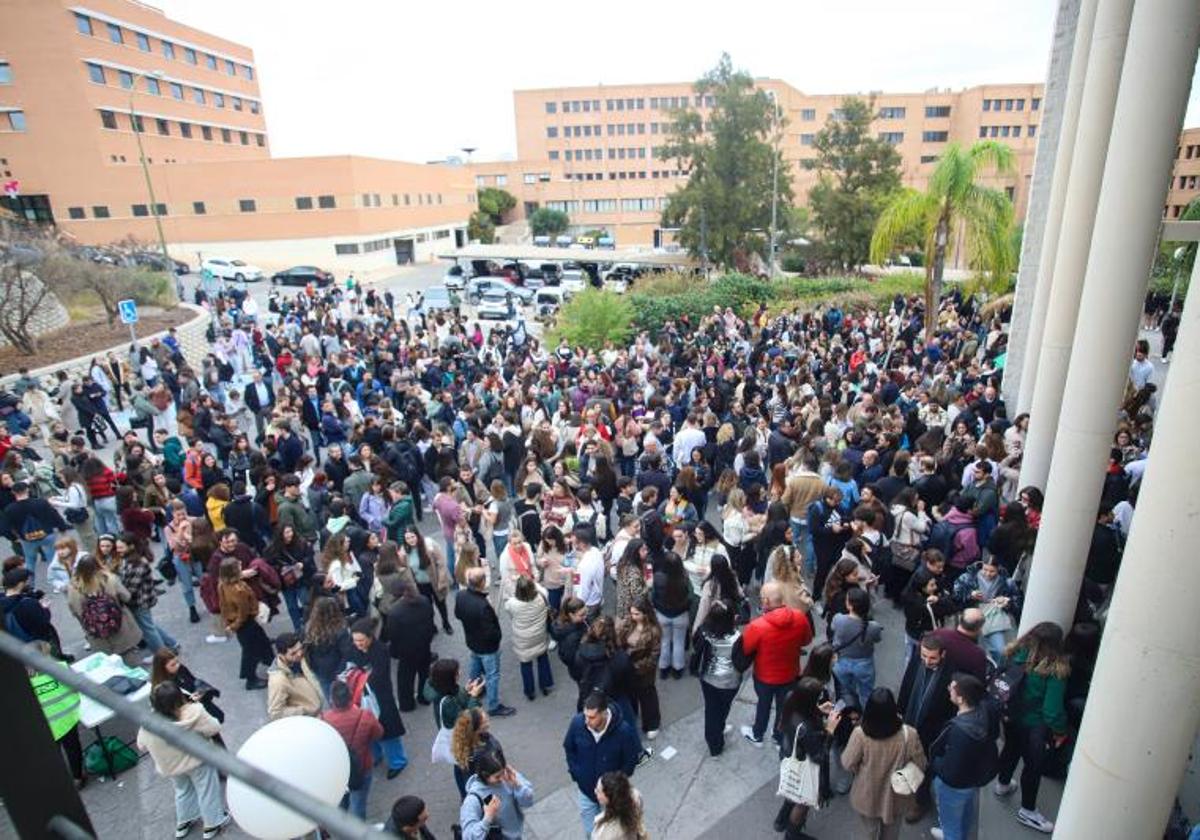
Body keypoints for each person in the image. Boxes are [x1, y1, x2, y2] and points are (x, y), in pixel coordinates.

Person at [992, 622, 1071, 835]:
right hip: (1034, 726)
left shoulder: (1013, 652)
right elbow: (1052, 711)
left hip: (1010, 716)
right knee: (1033, 766)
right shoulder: (1055, 669)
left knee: (1010, 749)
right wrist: (1061, 732)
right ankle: (1027, 810)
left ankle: (1002, 783)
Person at [137, 681, 230, 839]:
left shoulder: (149, 721)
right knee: (207, 790)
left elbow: (141, 746)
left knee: (182, 791)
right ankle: (213, 823)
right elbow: (214, 727)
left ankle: (184, 822)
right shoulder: (194, 712)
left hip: (170, 765)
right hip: (198, 760)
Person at [840, 687, 927, 840]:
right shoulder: (909, 734)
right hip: (898, 796)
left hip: (867, 794)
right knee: (892, 833)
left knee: (868, 832)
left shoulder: (860, 735)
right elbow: (921, 763)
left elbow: (847, 763)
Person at [740, 581, 815, 747]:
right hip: (790, 674)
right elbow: (807, 640)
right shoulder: (799, 617)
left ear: (766, 602)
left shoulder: (757, 626)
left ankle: (758, 734)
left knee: (763, 705)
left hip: (764, 676)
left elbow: (745, 649)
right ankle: (779, 737)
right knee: (784, 708)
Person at [929, 674, 999, 840]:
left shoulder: (959, 730)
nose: (949, 690)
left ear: (960, 699)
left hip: (954, 786)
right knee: (966, 814)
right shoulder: (985, 711)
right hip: (973, 779)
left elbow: (950, 770)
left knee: (951, 823)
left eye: (952, 689)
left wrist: (936, 763)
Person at [563, 691, 642, 839]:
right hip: (586, 791)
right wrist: (576, 773)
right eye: (585, 715)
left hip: (612, 797)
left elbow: (630, 761)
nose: (586, 721)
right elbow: (569, 747)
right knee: (592, 834)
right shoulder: (578, 723)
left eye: (592, 717)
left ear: (604, 713)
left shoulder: (623, 732)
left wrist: (616, 785)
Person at [897, 633, 956, 823]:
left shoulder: (952, 675)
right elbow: (907, 683)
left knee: (924, 767)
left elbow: (950, 709)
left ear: (943, 655)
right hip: (909, 722)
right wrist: (900, 709)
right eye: (924, 656)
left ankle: (921, 801)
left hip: (932, 731)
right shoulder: (917, 659)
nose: (927, 661)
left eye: (932, 658)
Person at [774, 677, 842, 839]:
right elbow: (819, 756)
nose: (821, 699)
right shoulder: (807, 728)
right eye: (818, 697)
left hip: (789, 755)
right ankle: (792, 835)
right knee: (803, 802)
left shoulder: (791, 699)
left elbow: (802, 711)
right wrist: (830, 731)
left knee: (792, 793)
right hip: (803, 764)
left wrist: (818, 709)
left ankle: (781, 820)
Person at [350, 616, 409, 779]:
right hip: (363, 697)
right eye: (355, 640)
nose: (358, 644)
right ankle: (376, 756)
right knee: (368, 730)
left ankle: (398, 761)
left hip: (381, 697)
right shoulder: (356, 649)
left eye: (361, 640)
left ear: (370, 637)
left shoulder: (380, 650)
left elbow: (377, 675)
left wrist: (359, 677)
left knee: (387, 730)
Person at [456, 566, 516, 716]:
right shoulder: (482, 605)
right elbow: (491, 632)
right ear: (482, 582)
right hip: (487, 647)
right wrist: (497, 637)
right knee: (492, 675)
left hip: (472, 641)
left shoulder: (461, 595)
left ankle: (471, 692)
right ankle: (493, 705)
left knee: (475, 668)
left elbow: (457, 614)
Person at [322, 678, 384, 820]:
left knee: (339, 800)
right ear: (351, 696)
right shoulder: (365, 716)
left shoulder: (323, 720)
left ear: (332, 700)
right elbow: (379, 734)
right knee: (358, 803)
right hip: (361, 766)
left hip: (336, 769)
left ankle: (339, 824)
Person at [26, 640, 86, 788]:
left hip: (44, 723)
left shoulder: (25, 680)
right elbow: (76, 686)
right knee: (73, 748)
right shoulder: (60, 669)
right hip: (66, 718)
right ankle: (77, 778)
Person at [424, 657, 485, 798]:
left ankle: (466, 794)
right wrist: (474, 697)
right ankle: (470, 798)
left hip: (455, 738)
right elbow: (466, 718)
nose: (460, 673)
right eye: (457, 672)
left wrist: (465, 691)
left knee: (459, 765)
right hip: (461, 738)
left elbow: (457, 702)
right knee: (467, 769)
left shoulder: (440, 691)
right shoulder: (447, 702)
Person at [692, 600, 744, 756]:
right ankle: (717, 737)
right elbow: (742, 660)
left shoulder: (703, 632)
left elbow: (695, 646)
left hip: (708, 678)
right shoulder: (737, 637)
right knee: (723, 707)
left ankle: (716, 735)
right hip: (730, 681)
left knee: (711, 709)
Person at [65, 554, 142, 654]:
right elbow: (126, 597)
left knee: (109, 663)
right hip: (120, 627)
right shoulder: (110, 579)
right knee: (129, 658)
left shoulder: (73, 587)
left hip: (97, 632)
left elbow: (75, 610)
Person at [217, 557, 271, 690]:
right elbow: (243, 612)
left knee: (260, 643)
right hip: (246, 623)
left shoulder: (222, 585)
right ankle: (251, 678)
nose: (241, 565)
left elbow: (223, 606)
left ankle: (270, 661)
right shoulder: (239, 590)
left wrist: (229, 624)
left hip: (236, 622)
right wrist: (235, 625)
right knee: (251, 650)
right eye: (238, 565)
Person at [459, 750, 535, 840]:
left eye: (503, 772)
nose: (502, 778)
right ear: (484, 775)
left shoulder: (508, 775)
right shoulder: (473, 799)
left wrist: (517, 786)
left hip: (516, 835)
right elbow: (468, 836)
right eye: (497, 776)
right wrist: (488, 817)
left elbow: (528, 802)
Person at [830, 587, 885, 710]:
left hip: (842, 661)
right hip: (864, 664)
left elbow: (833, 628)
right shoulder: (874, 627)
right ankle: (865, 716)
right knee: (866, 693)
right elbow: (877, 639)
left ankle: (847, 713)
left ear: (849, 605)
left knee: (845, 692)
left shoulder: (839, 620)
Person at [385, 580, 436, 711]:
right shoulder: (424, 601)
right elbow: (431, 620)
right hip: (424, 645)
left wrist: (395, 652)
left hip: (406, 650)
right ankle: (424, 697)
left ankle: (406, 704)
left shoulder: (395, 612)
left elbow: (393, 635)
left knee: (405, 678)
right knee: (424, 673)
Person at [617, 595, 662, 741]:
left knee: (648, 698)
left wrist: (634, 667)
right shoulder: (628, 623)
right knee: (630, 696)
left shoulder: (653, 631)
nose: (633, 616)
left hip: (643, 672)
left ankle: (652, 724)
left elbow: (653, 657)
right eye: (632, 613)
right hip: (628, 670)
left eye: (637, 614)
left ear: (645, 613)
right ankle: (633, 715)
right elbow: (619, 640)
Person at [151, 648, 225, 737]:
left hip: (201, 707)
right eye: (173, 664)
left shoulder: (181, 669)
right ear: (162, 668)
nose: (178, 666)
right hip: (189, 719)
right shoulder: (163, 688)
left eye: (177, 661)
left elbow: (192, 681)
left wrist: (198, 691)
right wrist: (190, 700)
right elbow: (170, 708)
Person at [504, 574, 555, 701]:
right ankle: (545, 685)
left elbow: (509, 612)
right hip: (539, 634)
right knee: (542, 658)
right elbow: (541, 588)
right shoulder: (542, 596)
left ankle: (530, 691)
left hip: (522, 638)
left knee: (525, 664)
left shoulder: (512, 604)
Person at [3, 481, 68, 580]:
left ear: (13, 492)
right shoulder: (41, 502)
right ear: (27, 490)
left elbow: (6, 526)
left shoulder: (10, 509)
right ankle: (58, 581)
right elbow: (54, 514)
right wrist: (62, 527)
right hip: (47, 535)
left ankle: (30, 585)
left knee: (30, 561)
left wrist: (14, 538)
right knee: (53, 559)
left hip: (27, 538)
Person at [304, 595, 355, 700]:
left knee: (328, 693)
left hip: (319, 668)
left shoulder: (309, 627)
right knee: (344, 696)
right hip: (337, 668)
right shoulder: (340, 629)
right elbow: (347, 652)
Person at [650, 551, 690, 679]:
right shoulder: (684, 578)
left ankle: (663, 668)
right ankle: (677, 668)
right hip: (680, 614)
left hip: (662, 614)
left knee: (664, 641)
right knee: (679, 642)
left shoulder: (657, 577)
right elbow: (690, 596)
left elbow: (653, 596)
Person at [266, 631, 323, 719]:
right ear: (281, 655)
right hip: (308, 718)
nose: (299, 654)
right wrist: (303, 711)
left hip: (317, 711)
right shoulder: (278, 681)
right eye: (293, 653)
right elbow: (275, 712)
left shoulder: (297, 659)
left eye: (300, 648)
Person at [591, 771, 649, 840]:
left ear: (608, 797)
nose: (595, 791)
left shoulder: (607, 833)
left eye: (598, 790)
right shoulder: (633, 800)